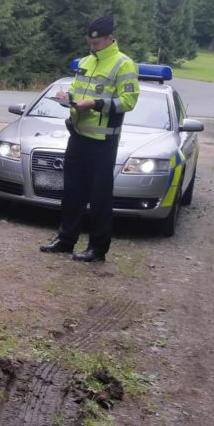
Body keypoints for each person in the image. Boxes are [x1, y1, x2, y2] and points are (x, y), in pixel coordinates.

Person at [40, 14, 139, 263]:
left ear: (109, 38)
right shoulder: (86, 61)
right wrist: (68, 98)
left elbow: (128, 102)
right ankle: (66, 239)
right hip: (78, 135)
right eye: (90, 43)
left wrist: (94, 104)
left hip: (103, 143)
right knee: (72, 191)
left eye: (96, 44)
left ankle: (98, 248)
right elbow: (76, 90)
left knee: (99, 196)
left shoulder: (123, 64)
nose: (92, 47)